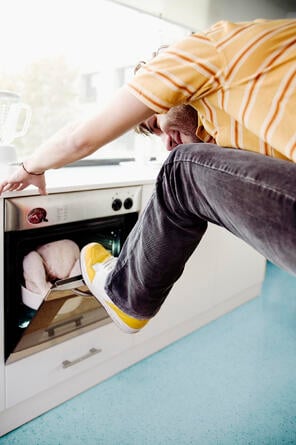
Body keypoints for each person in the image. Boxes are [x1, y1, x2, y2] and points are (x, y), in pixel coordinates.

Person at [0, 18, 295, 333]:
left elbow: (81, 137)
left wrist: (30, 167)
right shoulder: (241, 115)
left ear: (161, 87)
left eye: (156, 124)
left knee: (181, 168)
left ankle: (124, 295)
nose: (167, 144)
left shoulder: (197, 52)